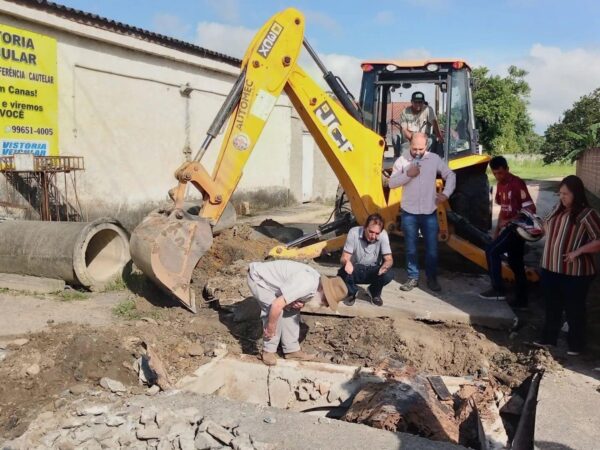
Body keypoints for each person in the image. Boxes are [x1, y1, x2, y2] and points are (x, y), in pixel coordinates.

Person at [535, 175, 600, 355]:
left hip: (575, 273)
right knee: (551, 306)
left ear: (576, 194)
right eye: (560, 193)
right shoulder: (557, 209)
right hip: (550, 268)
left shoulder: (587, 214)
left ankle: (576, 345)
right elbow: (545, 226)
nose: (562, 197)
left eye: (566, 194)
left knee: (574, 309)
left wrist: (578, 251)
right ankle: (549, 340)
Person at [388, 132, 456, 292]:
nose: (417, 152)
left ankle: (431, 278)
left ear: (427, 146)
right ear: (409, 145)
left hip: (429, 213)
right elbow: (391, 183)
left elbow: (450, 175)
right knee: (410, 248)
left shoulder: (433, 159)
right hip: (409, 213)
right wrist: (407, 175)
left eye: (421, 148)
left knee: (432, 249)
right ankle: (413, 278)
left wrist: (446, 194)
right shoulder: (402, 160)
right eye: (414, 148)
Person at [247, 260, 348, 366]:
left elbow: (293, 291)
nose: (325, 304)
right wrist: (271, 326)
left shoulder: (315, 283)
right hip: (259, 280)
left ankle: (291, 350)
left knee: (292, 309)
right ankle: (268, 350)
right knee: (276, 312)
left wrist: (297, 303)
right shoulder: (306, 284)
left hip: (273, 283)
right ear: (323, 289)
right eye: (326, 300)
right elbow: (276, 305)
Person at [479, 156, 536, 307]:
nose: (499, 176)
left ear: (507, 169)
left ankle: (498, 290)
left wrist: (511, 221)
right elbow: (503, 211)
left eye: (501, 173)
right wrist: (497, 230)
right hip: (508, 227)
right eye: (495, 173)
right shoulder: (500, 186)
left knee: (491, 252)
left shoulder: (517, 183)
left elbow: (530, 209)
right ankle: (522, 300)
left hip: (517, 229)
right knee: (515, 263)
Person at [338, 213, 394, 307]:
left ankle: (374, 292)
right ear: (365, 227)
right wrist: (347, 262)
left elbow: (389, 259)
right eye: (371, 231)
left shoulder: (383, 235)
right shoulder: (354, 232)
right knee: (342, 272)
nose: (373, 236)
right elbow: (344, 257)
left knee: (389, 273)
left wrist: (386, 265)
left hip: (372, 270)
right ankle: (352, 292)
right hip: (355, 269)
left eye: (377, 233)